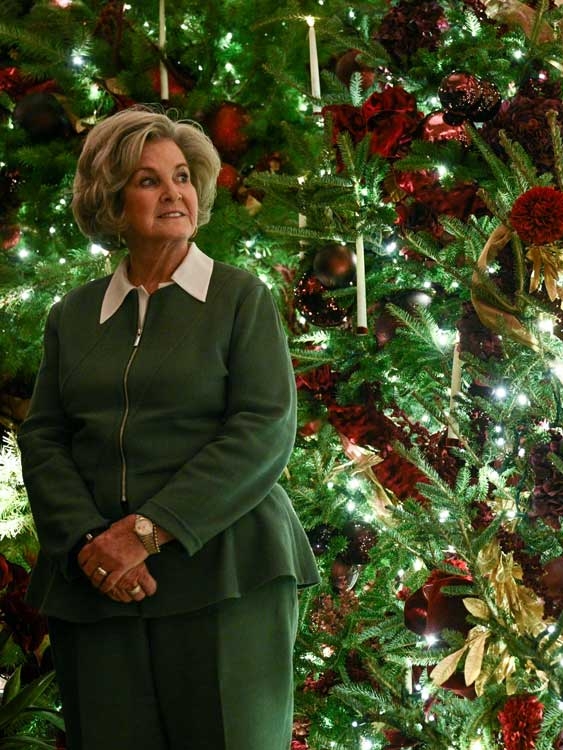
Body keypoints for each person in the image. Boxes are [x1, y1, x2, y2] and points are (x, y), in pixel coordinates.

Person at [17, 106, 319, 750]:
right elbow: (43, 437)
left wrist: (147, 533)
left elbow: (263, 429)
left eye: (181, 176)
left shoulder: (242, 299)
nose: (174, 192)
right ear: (111, 201)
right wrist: (91, 544)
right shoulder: (71, 317)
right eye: (149, 180)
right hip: (95, 580)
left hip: (226, 574)